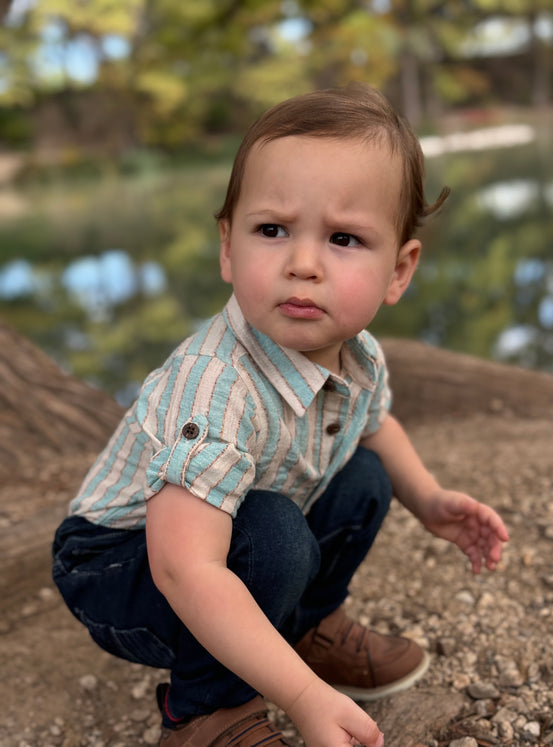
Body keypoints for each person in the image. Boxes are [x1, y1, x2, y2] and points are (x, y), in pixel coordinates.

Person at [52, 83, 509, 747]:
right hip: (120, 564)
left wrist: (430, 499)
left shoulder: (359, 354)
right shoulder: (216, 385)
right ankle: (206, 709)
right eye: (272, 230)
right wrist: (299, 696)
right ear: (228, 247)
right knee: (273, 533)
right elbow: (185, 567)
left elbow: (374, 422)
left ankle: (305, 628)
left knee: (367, 475)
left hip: (216, 534)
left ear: (399, 270)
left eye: (345, 238)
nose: (302, 264)